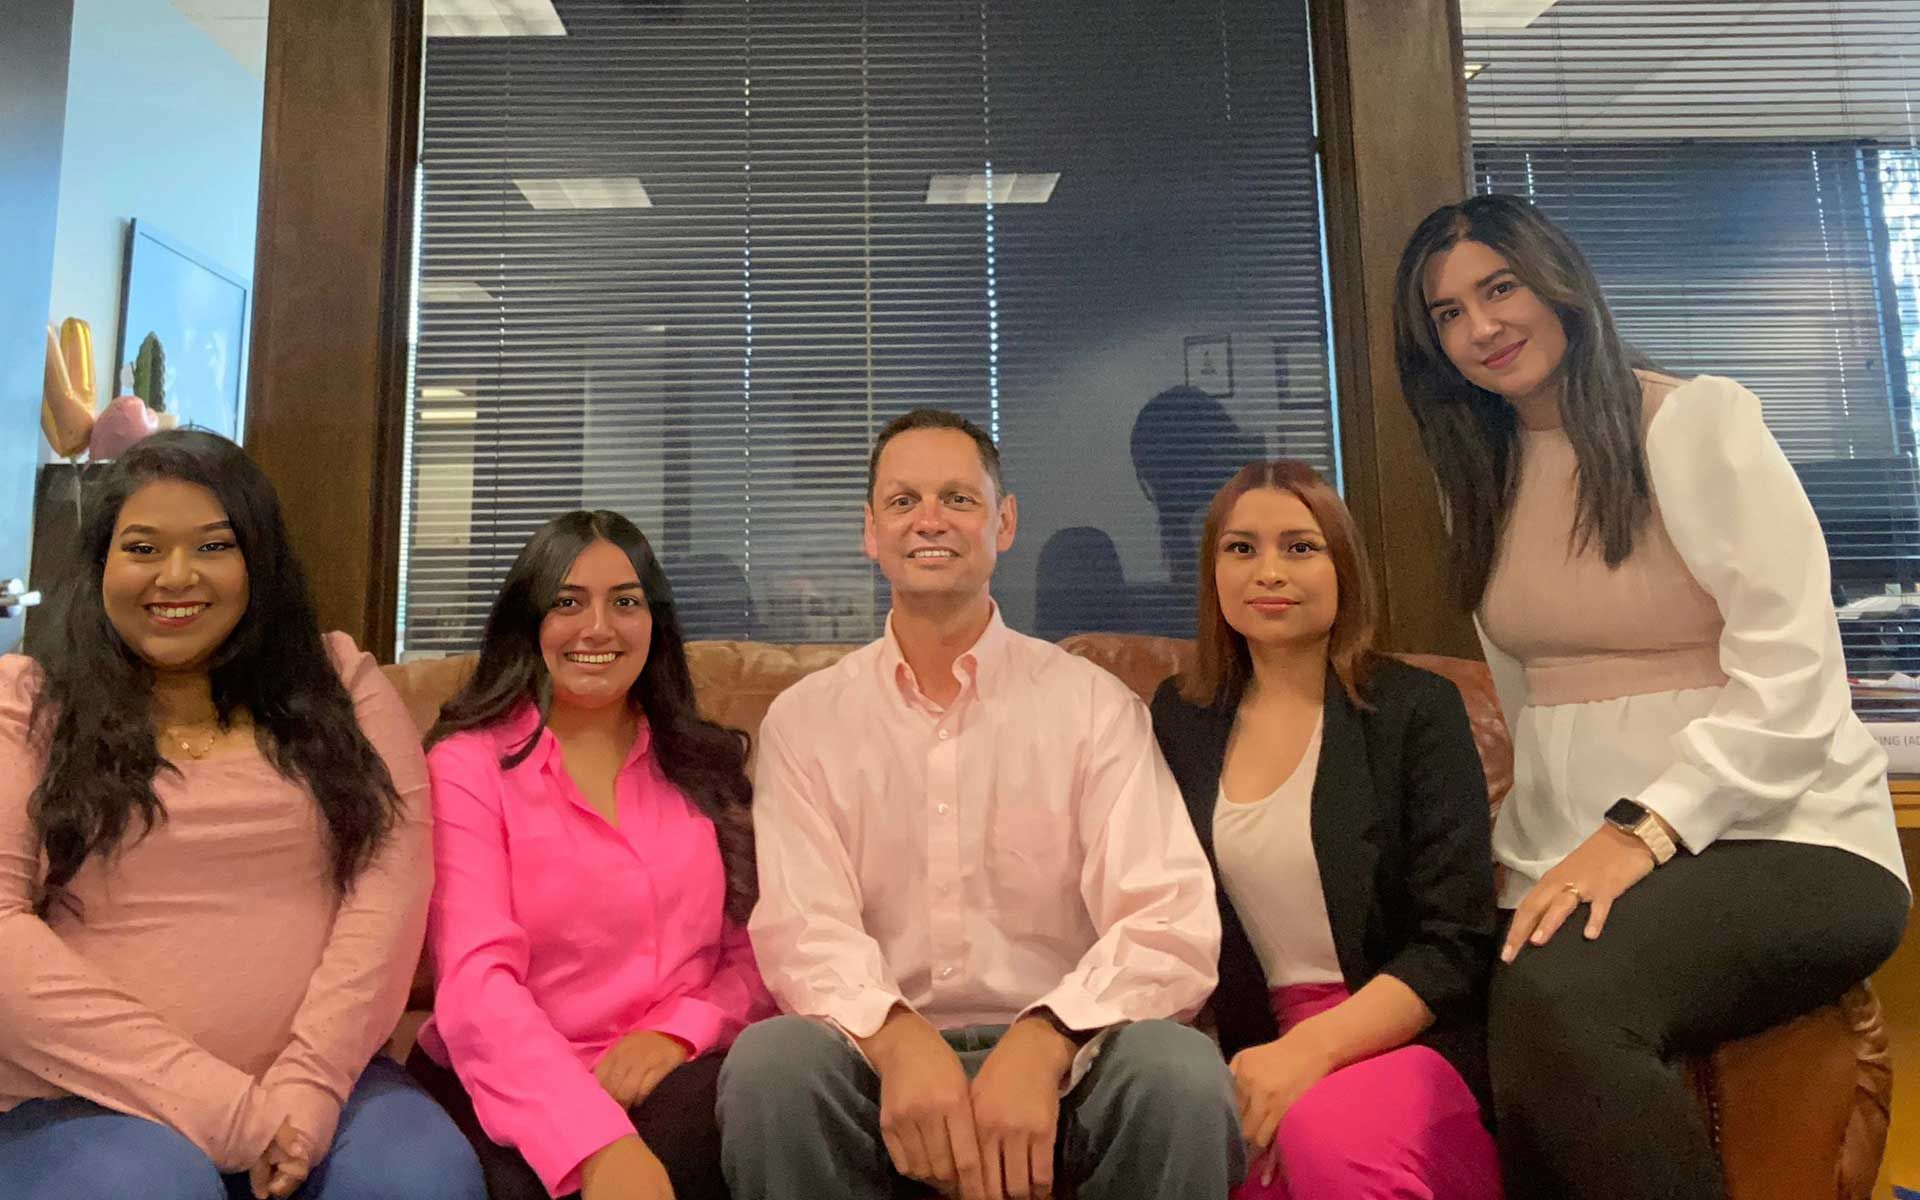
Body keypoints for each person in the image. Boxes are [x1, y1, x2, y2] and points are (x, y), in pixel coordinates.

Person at [1390, 192, 1910, 1200]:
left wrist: (1645, 829)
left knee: (1559, 991)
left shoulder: (1695, 420)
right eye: (1446, 313)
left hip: (1785, 838)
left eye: (1498, 287)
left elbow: (1796, 677)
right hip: (1581, 857)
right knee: (1483, 1019)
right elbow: (1537, 708)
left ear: (1560, 281)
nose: (1480, 327)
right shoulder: (1483, 481)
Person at [718, 409, 1244, 1200]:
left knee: (1180, 1073)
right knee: (770, 1067)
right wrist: (897, 1041)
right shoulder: (807, 719)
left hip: (1070, 1062)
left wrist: (1045, 1038)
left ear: (1004, 523)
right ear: (870, 532)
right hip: (876, 1062)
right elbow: (803, 929)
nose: (930, 519)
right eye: (903, 501)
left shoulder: (1092, 705)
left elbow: (1168, 918)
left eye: (959, 499)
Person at [0, 430, 484, 1200]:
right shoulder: (25, 701)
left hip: (327, 1086)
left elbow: (390, 892)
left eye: (213, 546)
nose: (177, 576)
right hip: (79, 1097)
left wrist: (309, 1085)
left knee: (420, 1180)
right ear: (100, 566)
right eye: (144, 548)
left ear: (258, 562)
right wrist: (222, 1108)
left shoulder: (341, 682)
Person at [1150, 460, 1503, 1200]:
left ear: (1343, 566)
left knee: (1327, 1135)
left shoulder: (1415, 710)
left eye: (1300, 547)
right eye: (1241, 549)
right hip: (1252, 1044)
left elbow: (1453, 941)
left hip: (1403, 1030)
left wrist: (1309, 1051)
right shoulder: (1180, 719)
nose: (1268, 571)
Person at [408, 510, 774, 1200]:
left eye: (625, 603)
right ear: (529, 622)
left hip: (671, 1070)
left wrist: (679, 1033)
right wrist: (596, 1144)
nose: (598, 628)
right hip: (508, 1080)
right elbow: (476, 988)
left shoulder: (701, 763)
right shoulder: (467, 767)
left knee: (729, 1129)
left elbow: (757, 955)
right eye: (567, 603)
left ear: (655, 625)